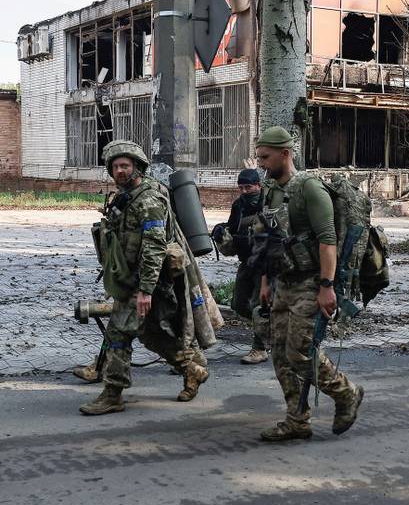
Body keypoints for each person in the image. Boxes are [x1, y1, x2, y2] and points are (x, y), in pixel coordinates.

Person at [79, 141, 209, 415]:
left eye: (124, 165)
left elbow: (153, 247)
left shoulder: (148, 199)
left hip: (146, 282)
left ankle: (113, 394)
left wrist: (146, 291)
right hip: (132, 280)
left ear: (137, 166)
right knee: (151, 334)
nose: (119, 171)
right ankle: (192, 369)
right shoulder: (127, 195)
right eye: (115, 167)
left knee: (118, 334)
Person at [252, 125, 364, 441]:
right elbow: (268, 241)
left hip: (311, 282)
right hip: (282, 282)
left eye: (265, 157)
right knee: (279, 353)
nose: (261, 163)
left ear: (285, 154)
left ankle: (346, 392)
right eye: (259, 156)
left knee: (300, 352)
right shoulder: (271, 189)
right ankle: (297, 420)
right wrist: (265, 282)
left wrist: (327, 287)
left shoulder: (309, 189)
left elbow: (328, 241)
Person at [212, 168, 271, 365]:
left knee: (258, 306)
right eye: (241, 187)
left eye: (249, 187)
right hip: (247, 262)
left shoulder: (269, 203)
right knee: (238, 304)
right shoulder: (239, 206)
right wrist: (221, 235)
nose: (245, 191)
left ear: (258, 186)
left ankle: (259, 348)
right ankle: (270, 331)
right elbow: (232, 237)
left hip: (266, 263)